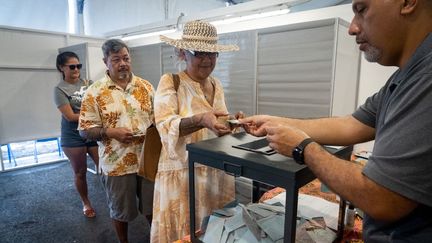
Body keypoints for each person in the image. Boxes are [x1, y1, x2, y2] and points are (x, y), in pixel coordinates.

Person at [240, 0, 432, 241]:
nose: (352, 28)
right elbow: (351, 125)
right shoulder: (404, 78)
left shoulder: (426, 78)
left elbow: (382, 197)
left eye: (361, 10)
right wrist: (275, 122)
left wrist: (303, 148)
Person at [151, 20, 242, 242]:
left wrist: (233, 122)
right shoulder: (171, 82)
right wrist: (200, 119)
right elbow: (165, 123)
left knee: (213, 228)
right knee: (185, 229)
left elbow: (218, 119)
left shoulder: (216, 84)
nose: (207, 60)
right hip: (183, 171)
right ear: (183, 53)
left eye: (212, 54)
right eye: (200, 53)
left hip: (214, 171)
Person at [78, 39, 155, 243]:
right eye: (116, 59)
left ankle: (156, 238)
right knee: (120, 211)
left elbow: (158, 119)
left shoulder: (145, 87)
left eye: (126, 58)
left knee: (152, 207)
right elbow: (84, 131)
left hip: (147, 160)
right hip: (116, 164)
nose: (123, 63)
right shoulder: (95, 92)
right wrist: (110, 132)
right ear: (106, 62)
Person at [54, 51, 99, 218]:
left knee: (105, 167)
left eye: (78, 66)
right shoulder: (59, 89)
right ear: (61, 68)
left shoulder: (89, 83)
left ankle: (113, 199)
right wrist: (93, 116)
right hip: (72, 136)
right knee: (80, 172)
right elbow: (70, 116)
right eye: (72, 66)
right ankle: (86, 203)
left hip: (93, 132)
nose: (76, 69)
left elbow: (99, 104)